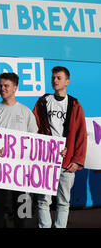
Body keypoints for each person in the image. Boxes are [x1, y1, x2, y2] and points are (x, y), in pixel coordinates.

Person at [33, 66, 87, 228]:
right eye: (53, 78)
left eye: (59, 78)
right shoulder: (43, 101)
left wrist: (77, 160)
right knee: (43, 200)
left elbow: (81, 134)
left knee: (63, 202)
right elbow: (34, 127)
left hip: (66, 162)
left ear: (67, 81)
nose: (55, 81)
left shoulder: (75, 104)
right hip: (46, 160)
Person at [0, 72, 38, 228]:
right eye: (0, 85)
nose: (2, 89)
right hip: (0, 172)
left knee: (24, 212)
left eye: (6, 86)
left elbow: (35, 140)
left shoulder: (26, 112)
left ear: (15, 88)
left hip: (23, 173)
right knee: (1, 211)